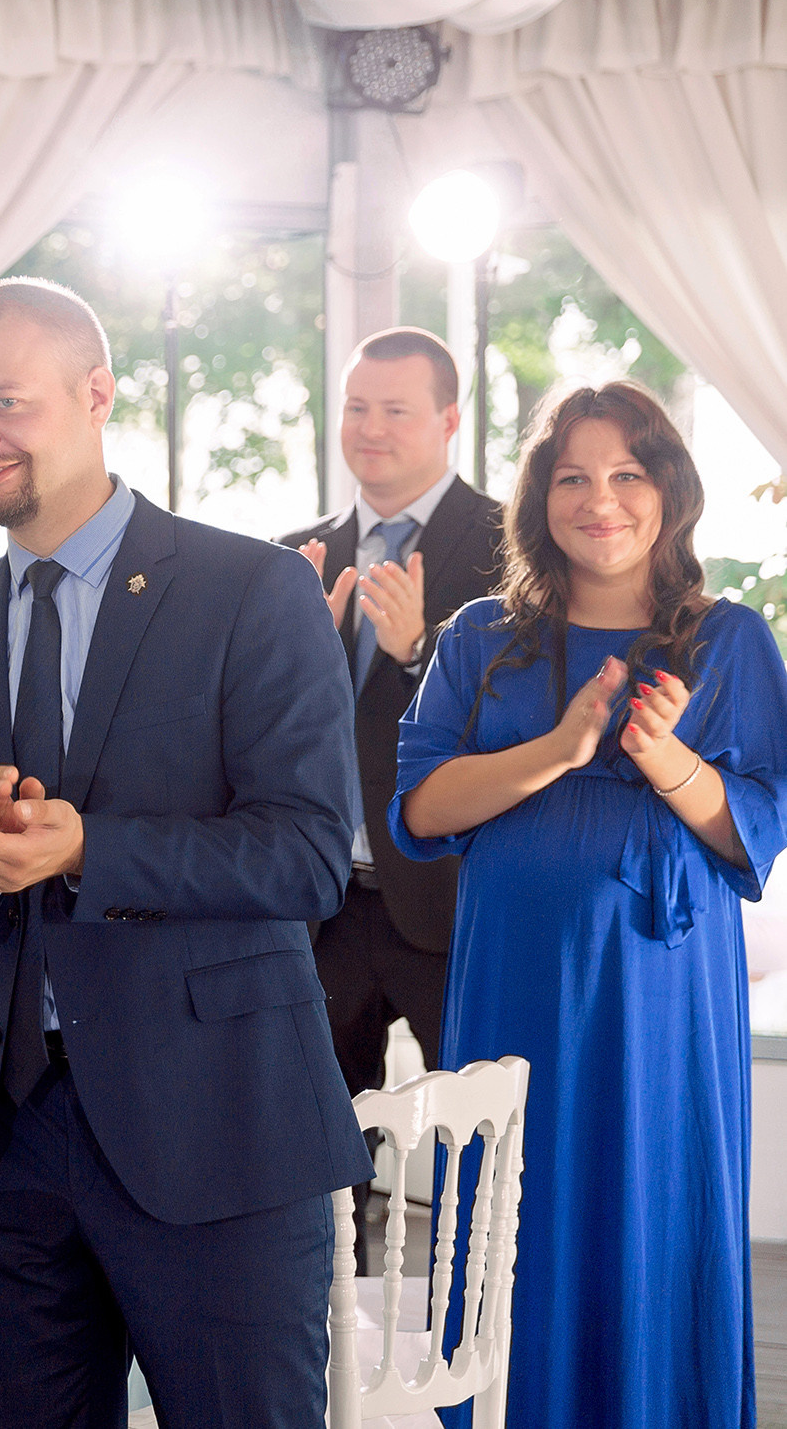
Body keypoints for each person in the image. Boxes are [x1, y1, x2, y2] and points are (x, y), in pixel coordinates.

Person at [0, 279, 370, 1429]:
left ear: (95, 394)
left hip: (222, 1135)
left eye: (5, 402)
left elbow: (306, 858)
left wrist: (90, 846)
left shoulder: (252, 590)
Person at [394, 381, 786, 1429]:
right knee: (515, 1210)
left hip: (666, 992)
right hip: (511, 976)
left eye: (626, 473)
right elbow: (422, 803)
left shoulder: (729, 639)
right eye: (571, 476)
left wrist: (663, 758)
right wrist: (560, 749)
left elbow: (751, 822)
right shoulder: (477, 636)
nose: (598, 498)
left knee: (655, 1200)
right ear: (539, 499)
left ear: (668, 491)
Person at [279, 327, 504, 1261]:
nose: (370, 428)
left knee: (479, 1142)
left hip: (454, 899)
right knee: (314, 1147)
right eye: (356, 407)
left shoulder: (511, 545)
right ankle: (326, 1348)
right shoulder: (300, 554)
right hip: (327, 905)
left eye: (396, 409)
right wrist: (301, 656)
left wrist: (420, 652)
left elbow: (522, 731)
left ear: (449, 420)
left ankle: (483, 1347)